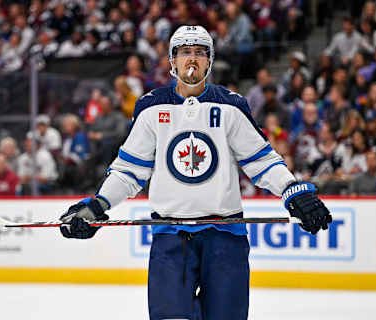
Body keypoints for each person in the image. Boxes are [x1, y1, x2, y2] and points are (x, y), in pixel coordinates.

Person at [58, 26, 332, 320]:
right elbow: (129, 171)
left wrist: (292, 191)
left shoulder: (231, 105)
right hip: (170, 238)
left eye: (200, 53)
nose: (192, 59)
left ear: (209, 61)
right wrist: (97, 206)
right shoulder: (151, 107)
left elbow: (262, 162)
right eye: (185, 52)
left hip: (225, 237)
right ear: (172, 61)